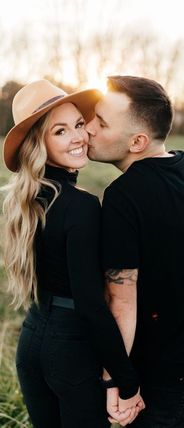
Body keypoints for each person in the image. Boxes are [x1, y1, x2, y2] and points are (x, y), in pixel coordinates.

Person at [86, 75, 184, 428]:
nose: (89, 128)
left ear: (137, 141)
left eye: (102, 123)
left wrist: (116, 381)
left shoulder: (124, 196)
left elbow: (120, 300)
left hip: (163, 384)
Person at [1, 79, 145, 428]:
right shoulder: (80, 206)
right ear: (40, 144)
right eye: (60, 131)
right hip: (71, 349)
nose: (78, 137)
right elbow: (92, 306)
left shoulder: (29, 198)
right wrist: (126, 383)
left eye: (79, 125)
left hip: (32, 340)